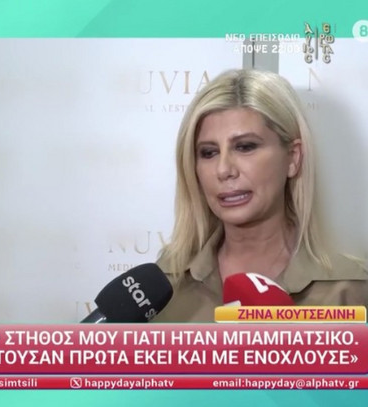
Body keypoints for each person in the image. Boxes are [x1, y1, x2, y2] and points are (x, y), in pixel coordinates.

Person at [154, 69, 368, 322]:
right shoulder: (164, 286)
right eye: (209, 153)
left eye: (245, 147)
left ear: (293, 158)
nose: (224, 170)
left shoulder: (352, 290)